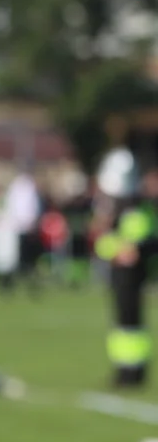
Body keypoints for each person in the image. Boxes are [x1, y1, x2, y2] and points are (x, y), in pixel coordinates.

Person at [93, 148, 157, 387]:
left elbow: (127, 246)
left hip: (129, 275)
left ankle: (130, 373)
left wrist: (114, 245)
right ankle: (128, 369)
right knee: (127, 323)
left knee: (128, 322)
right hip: (125, 273)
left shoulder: (131, 211)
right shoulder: (130, 209)